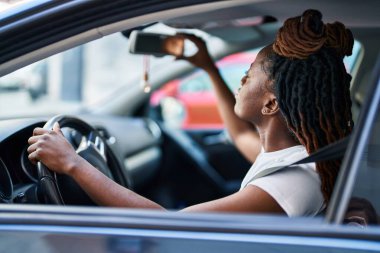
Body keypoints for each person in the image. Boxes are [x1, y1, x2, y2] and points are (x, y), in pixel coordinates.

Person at [27, 9, 354, 217]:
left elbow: (167, 226)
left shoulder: (292, 181)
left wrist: (74, 164)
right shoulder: (293, 157)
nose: (240, 80)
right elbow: (240, 135)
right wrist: (208, 66)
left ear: (271, 104)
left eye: (248, 75)